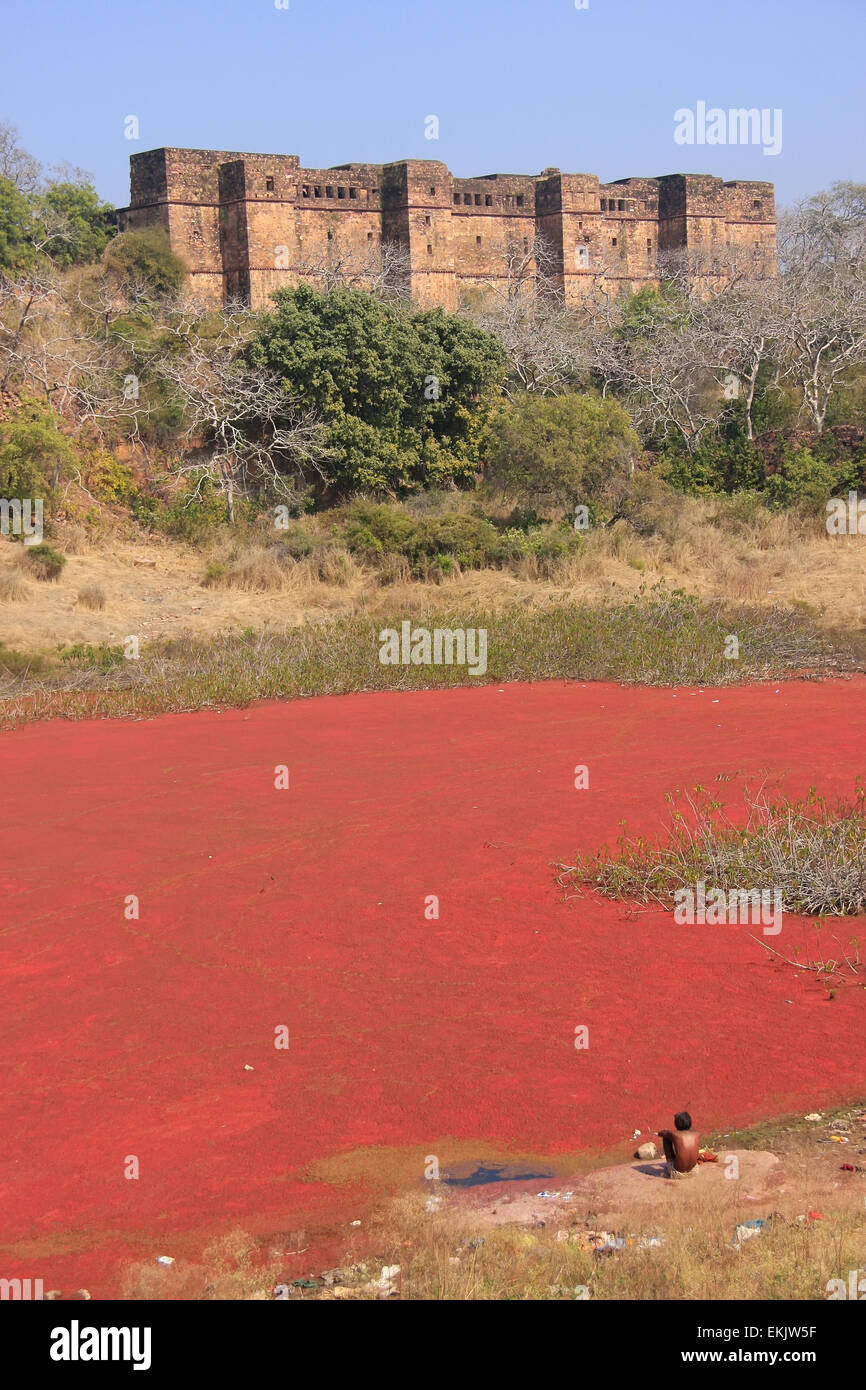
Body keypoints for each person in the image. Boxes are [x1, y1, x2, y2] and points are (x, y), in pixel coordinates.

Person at [657, 1111, 700, 1179]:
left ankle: (671, 1162)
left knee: (665, 1137)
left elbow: (661, 1133)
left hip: (677, 1173)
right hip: (694, 1171)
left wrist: (667, 1132)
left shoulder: (674, 1134)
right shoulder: (697, 1134)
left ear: (676, 1124)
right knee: (681, 1146)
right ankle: (678, 1162)